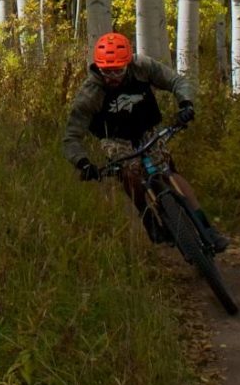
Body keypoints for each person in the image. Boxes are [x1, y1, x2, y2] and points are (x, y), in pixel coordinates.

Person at [60, 31, 227, 251]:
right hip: (115, 138)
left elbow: (176, 81)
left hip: (147, 129)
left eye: (118, 70)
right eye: (106, 71)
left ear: (127, 63)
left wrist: (186, 104)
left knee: (169, 172)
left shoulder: (142, 66)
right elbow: (71, 137)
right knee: (129, 174)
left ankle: (207, 228)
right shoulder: (89, 94)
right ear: (97, 67)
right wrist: (83, 162)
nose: (113, 77)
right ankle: (148, 219)